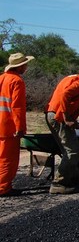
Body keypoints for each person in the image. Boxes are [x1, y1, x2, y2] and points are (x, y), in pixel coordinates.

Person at [0, 53, 35, 197]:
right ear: (20, 66)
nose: (26, 67)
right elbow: (17, 107)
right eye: (25, 64)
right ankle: (3, 188)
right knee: (7, 159)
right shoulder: (16, 81)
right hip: (7, 126)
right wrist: (20, 128)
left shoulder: (1, 78)